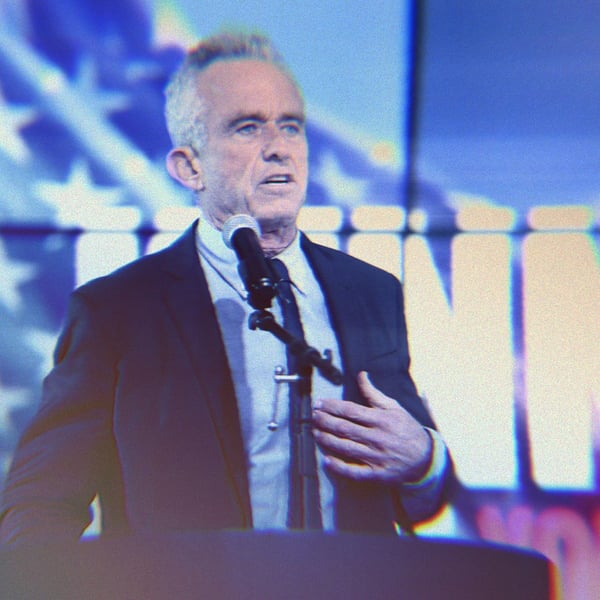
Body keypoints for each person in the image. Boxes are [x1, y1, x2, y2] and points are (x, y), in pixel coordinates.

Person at [0, 32, 451, 544]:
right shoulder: (117, 312)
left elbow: (421, 496)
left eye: (291, 127)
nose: (278, 148)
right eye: (247, 128)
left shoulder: (371, 294)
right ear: (190, 167)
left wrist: (423, 461)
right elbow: (40, 506)